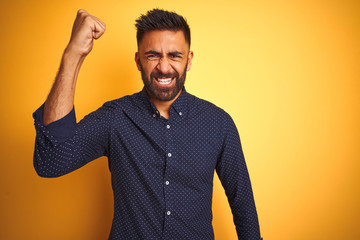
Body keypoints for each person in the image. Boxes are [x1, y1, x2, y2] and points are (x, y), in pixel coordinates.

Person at [33, 8, 262, 240]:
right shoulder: (115, 117)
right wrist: (73, 54)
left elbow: (242, 204)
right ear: (138, 60)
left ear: (189, 60)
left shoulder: (218, 123)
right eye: (153, 55)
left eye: (174, 55)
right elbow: (52, 161)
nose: (164, 67)